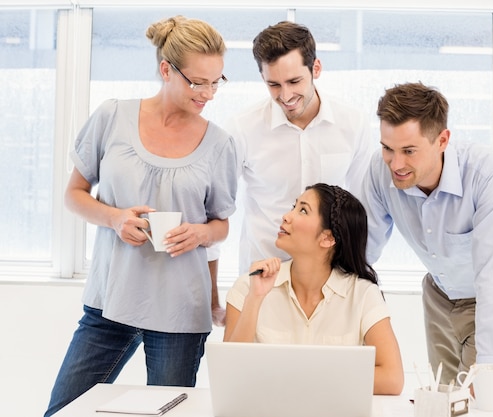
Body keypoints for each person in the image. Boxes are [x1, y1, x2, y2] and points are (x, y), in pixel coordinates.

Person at [44, 16, 237, 416]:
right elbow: (74, 196)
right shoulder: (112, 117)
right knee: (62, 411)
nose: (209, 93)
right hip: (110, 302)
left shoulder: (220, 144)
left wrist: (199, 235)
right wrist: (115, 218)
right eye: (198, 82)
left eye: (216, 81)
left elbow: (221, 224)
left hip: (181, 312)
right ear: (166, 69)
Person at [362, 82, 493, 407]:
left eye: (409, 151)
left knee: (476, 403)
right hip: (439, 297)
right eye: (388, 147)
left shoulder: (487, 173)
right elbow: (362, 254)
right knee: (437, 404)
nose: (395, 163)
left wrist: (490, 371)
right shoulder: (378, 169)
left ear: (442, 140)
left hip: (490, 298)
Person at [209, 21, 373, 277]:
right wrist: (212, 295)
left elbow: (364, 209)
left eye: (294, 81)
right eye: (274, 84)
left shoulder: (353, 124)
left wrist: (355, 270)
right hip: (262, 276)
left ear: (316, 68)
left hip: (329, 276)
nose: (285, 95)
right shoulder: (241, 129)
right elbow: (215, 209)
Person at [224, 183, 404, 395]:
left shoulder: (362, 294)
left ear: (327, 238)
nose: (286, 216)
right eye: (294, 206)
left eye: (302, 210)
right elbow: (228, 374)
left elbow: (392, 379)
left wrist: (300, 379)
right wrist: (254, 299)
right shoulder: (248, 286)